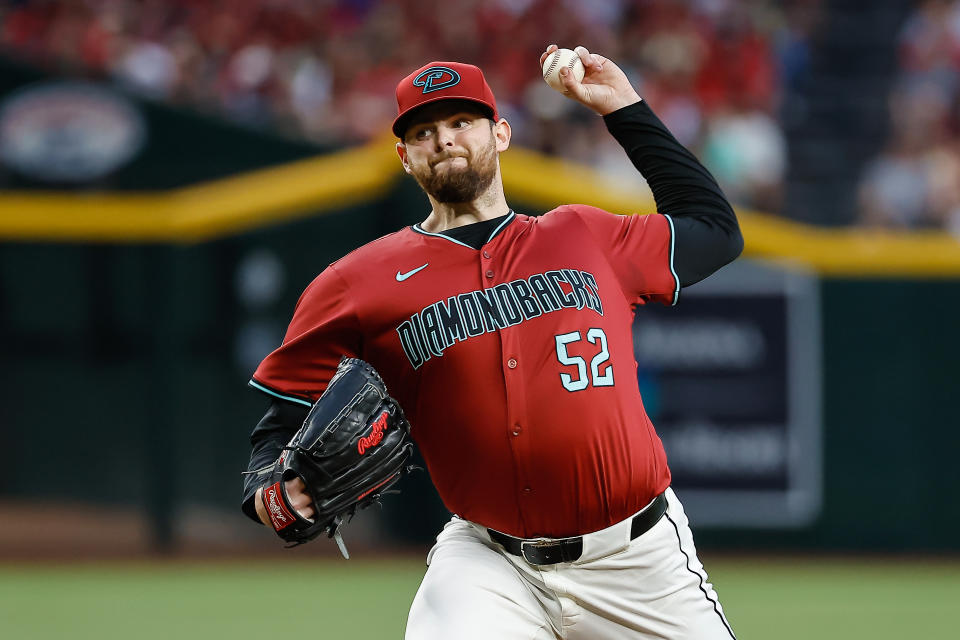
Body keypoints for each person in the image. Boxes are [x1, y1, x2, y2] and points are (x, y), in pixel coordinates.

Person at [242, 44, 742, 640]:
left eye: (461, 122)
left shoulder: (585, 234)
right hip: (489, 562)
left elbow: (715, 230)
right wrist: (264, 489)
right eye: (424, 131)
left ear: (500, 134)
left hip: (639, 558)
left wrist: (623, 107)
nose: (445, 139)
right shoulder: (356, 282)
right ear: (404, 156)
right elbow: (285, 414)